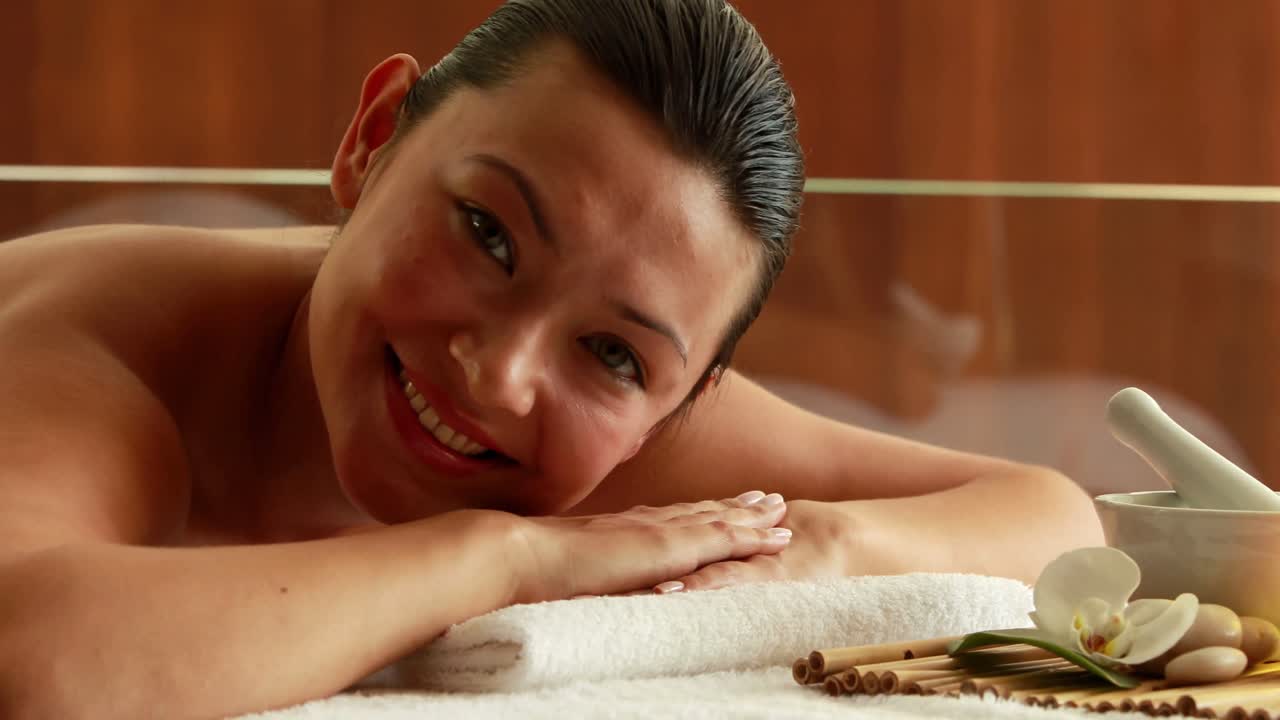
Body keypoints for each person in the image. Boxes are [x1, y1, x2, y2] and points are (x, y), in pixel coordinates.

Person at [0, 0, 1102, 717]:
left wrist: (816, 543)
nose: (502, 372)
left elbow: (1048, 516)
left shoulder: (625, 433)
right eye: (486, 234)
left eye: (615, 355)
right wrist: (497, 559)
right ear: (372, 138)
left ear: (687, 396)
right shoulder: (106, 350)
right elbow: (38, 660)